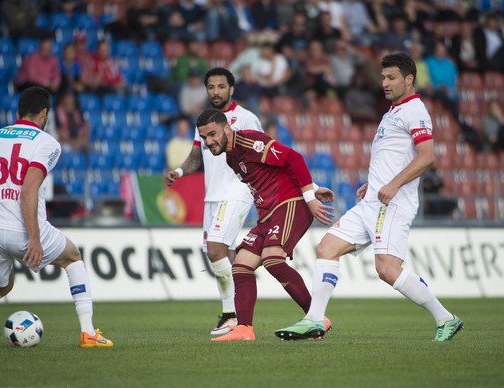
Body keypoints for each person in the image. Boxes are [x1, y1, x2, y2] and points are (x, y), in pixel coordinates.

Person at [275, 53, 464, 342]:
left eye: (391, 78)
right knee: (326, 248)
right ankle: (314, 319)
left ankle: (446, 318)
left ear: (409, 79)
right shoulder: (392, 113)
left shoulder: (415, 110)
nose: (385, 83)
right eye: (383, 77)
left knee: (387, 270)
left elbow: (427, 157)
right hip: (373, 201)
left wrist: (392, 185)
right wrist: (372, 183)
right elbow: (394, 158)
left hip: (393, 203)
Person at [0, 86, 112, 350]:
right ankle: (87, 333)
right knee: (72, 257)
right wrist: (35, 239)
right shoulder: (47, 142)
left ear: (18, 112)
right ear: (44, 113)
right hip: (21, 227)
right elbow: (28, 189)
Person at [189, 108, 335, 341]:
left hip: (290, 203)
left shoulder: (249, 141)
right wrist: (316, 187)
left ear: (227, 128)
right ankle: (244, 329)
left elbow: (293, 158)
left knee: (272, 259)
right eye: (204, 137)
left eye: (213, 134)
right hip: (268, 212)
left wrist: (310, 195)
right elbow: (280, 169)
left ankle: (316, 318)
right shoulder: (230, 156)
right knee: (241, 264)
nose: (209, 142)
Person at [165, 67, 263, 336]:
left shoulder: (246, 119)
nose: (216, 92)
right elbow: (196, 156)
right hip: (213, 195)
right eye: (211, 87)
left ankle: (232, 315)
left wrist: (259, 189)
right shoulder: (205, 121)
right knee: (223, 254)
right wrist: (180, 171)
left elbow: (261, 152)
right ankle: (237, 317)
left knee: (215, 249)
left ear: (231, 89)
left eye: (221, 87)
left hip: (238, 190)